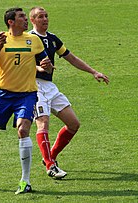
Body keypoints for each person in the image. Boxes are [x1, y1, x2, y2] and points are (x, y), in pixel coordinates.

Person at [0, 7, 54, 194]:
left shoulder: (34, 40)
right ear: (11, 22)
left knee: (23, 129)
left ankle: (25, 181)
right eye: (21, 17)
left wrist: (47, 66)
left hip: (27, 94)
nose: (25, 20)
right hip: (4, 94)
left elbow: (47, 67)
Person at [29, 7, 109, 179]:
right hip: (33, 86)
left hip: (50, 87)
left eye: (46, 16)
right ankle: (50, 166)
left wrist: (93, 72)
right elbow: (20, 64)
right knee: (42, 123)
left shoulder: (52, 39)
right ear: (32, 21)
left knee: (73, 124)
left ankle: (50, 156)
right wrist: (38, 68)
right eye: (40, 17)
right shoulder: (28, 40)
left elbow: (71, 58)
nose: (45, 19)